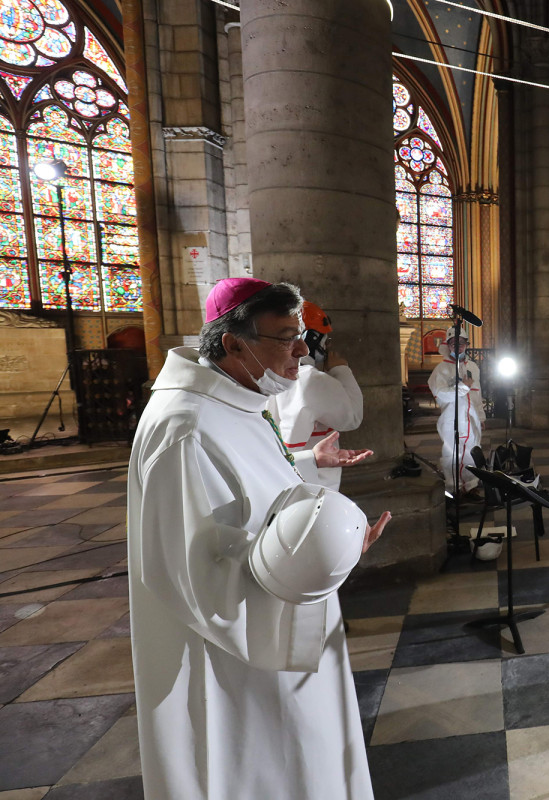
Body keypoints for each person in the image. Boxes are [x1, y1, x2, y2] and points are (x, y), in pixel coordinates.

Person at [127, 277, 391, 800]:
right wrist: (314, 561)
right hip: (240, 656)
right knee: (272, 766)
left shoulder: (235, 400)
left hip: (286, 620)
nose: (302, 350)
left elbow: (238, 486)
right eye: (286, 336)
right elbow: (196, 576)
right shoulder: (185, 427)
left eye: (302, 336)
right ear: (233, 342)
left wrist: (306, 462)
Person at [269, 300, 364, 490]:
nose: (327, 347)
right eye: (324, 340)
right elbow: (352, 417)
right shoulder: (311, 379)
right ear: (309, 339)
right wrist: (341, 370)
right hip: (315, 480)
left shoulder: (264, 373)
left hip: (275, 476)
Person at [428, 326, 483, 496]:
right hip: (452, 417)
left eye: (462, 343)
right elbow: (440, 394)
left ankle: (471, 486)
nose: (458, 347)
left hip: (471, 417)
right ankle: (454, 488)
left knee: (471, 451)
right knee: (452, 452)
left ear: (467, 344)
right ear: (448, 345)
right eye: (454, 343)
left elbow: (477, 393)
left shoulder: (472, 367)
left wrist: (481, 417)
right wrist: (461, 388)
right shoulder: (441, 369)